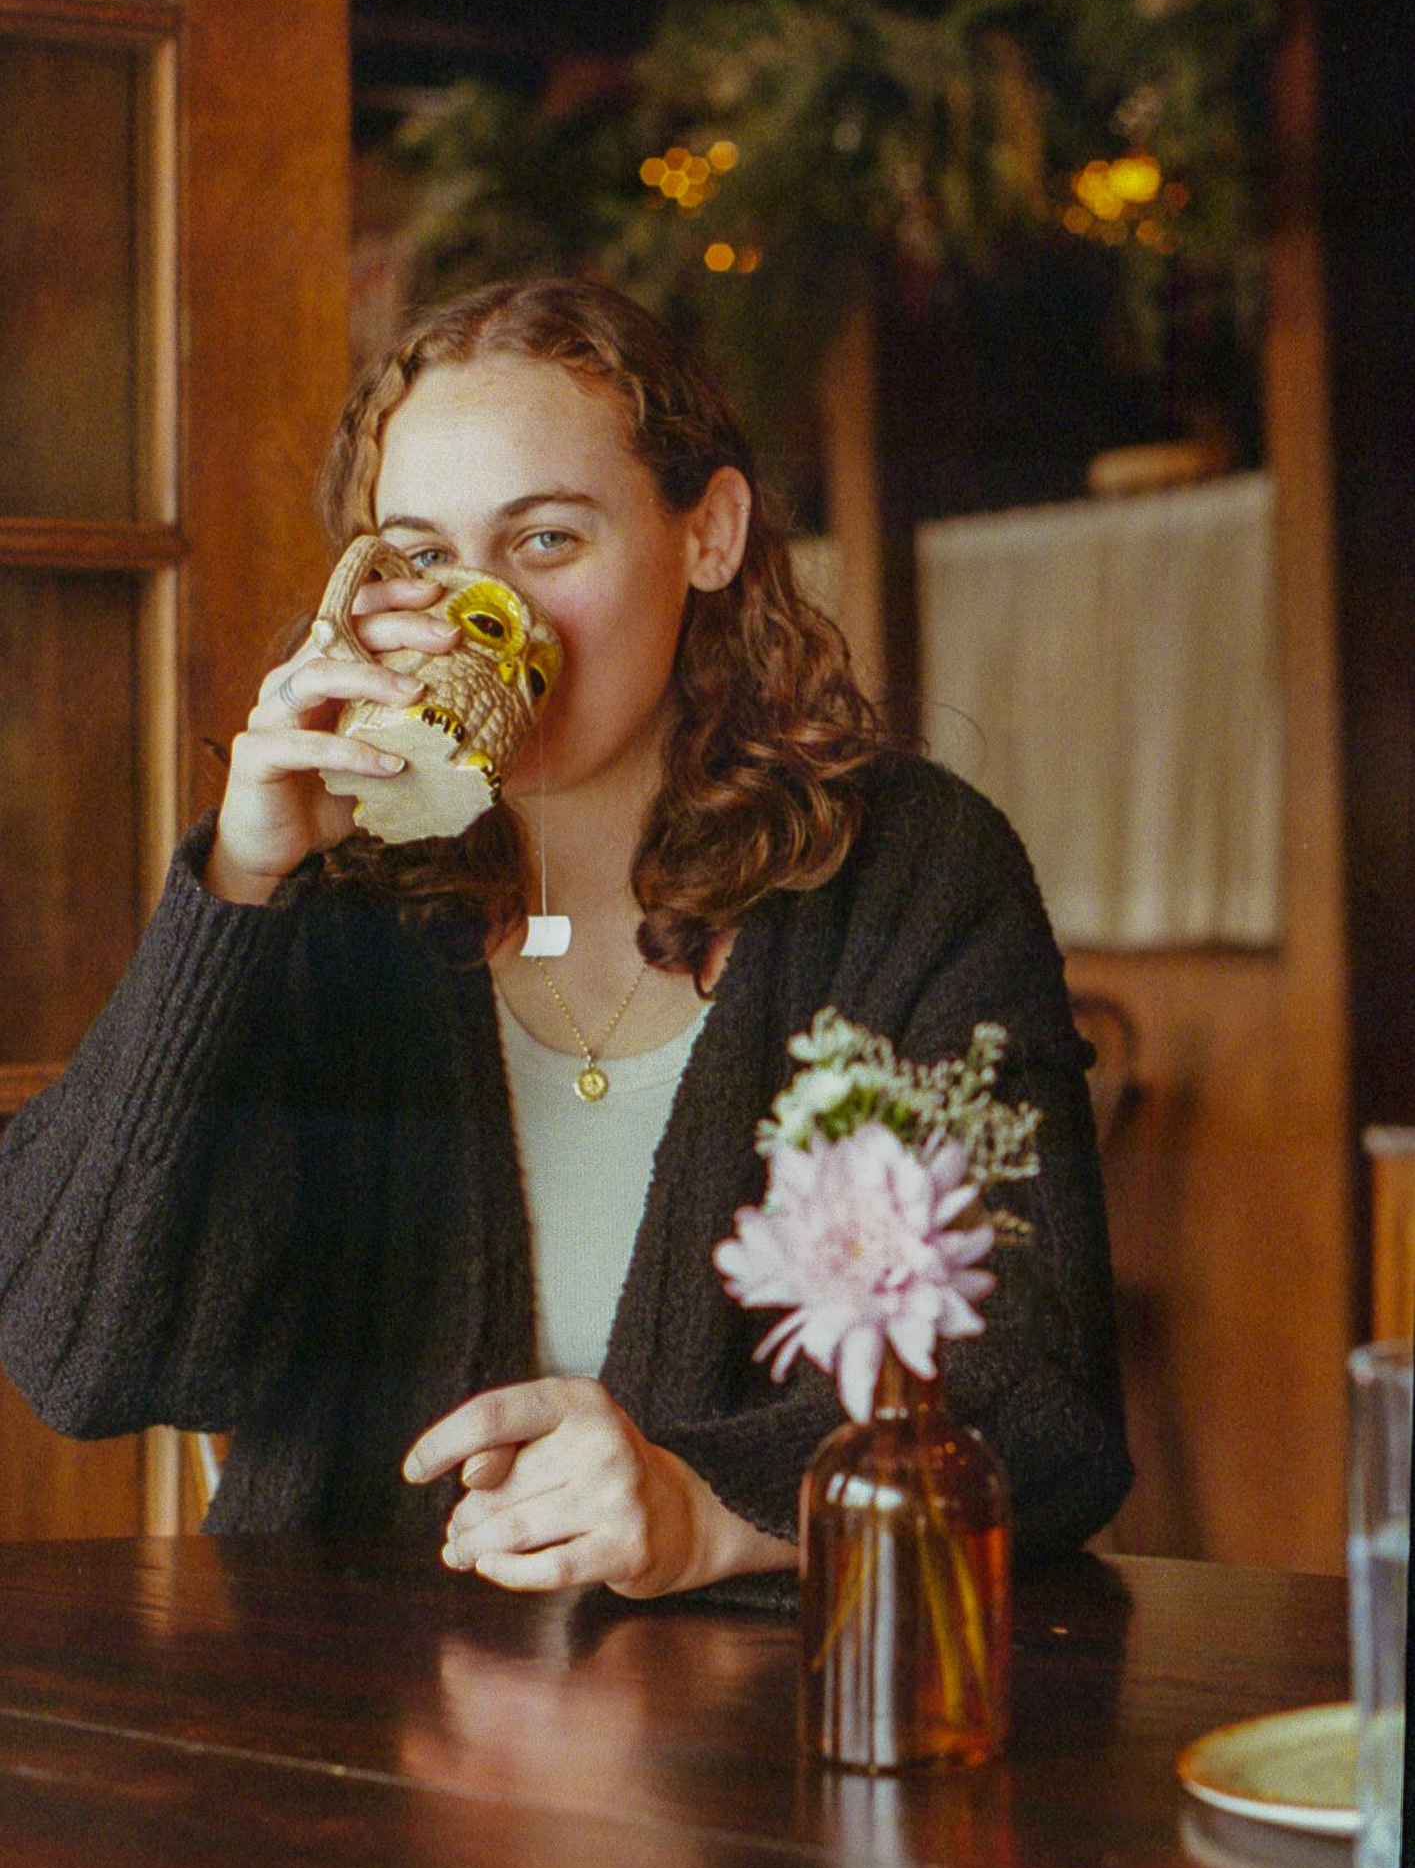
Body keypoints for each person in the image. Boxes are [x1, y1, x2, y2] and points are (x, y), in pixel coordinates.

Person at [0, 277, 1132, 1603]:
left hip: (760, 1702)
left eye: (545, 540)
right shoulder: (337, 900)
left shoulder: (904, 872)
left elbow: (1037, 1399)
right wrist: (238, 885)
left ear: (707, 534)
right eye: (423, 557)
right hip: (349, 1697)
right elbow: (80, 1352)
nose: (484, 615)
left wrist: (701, 1506)